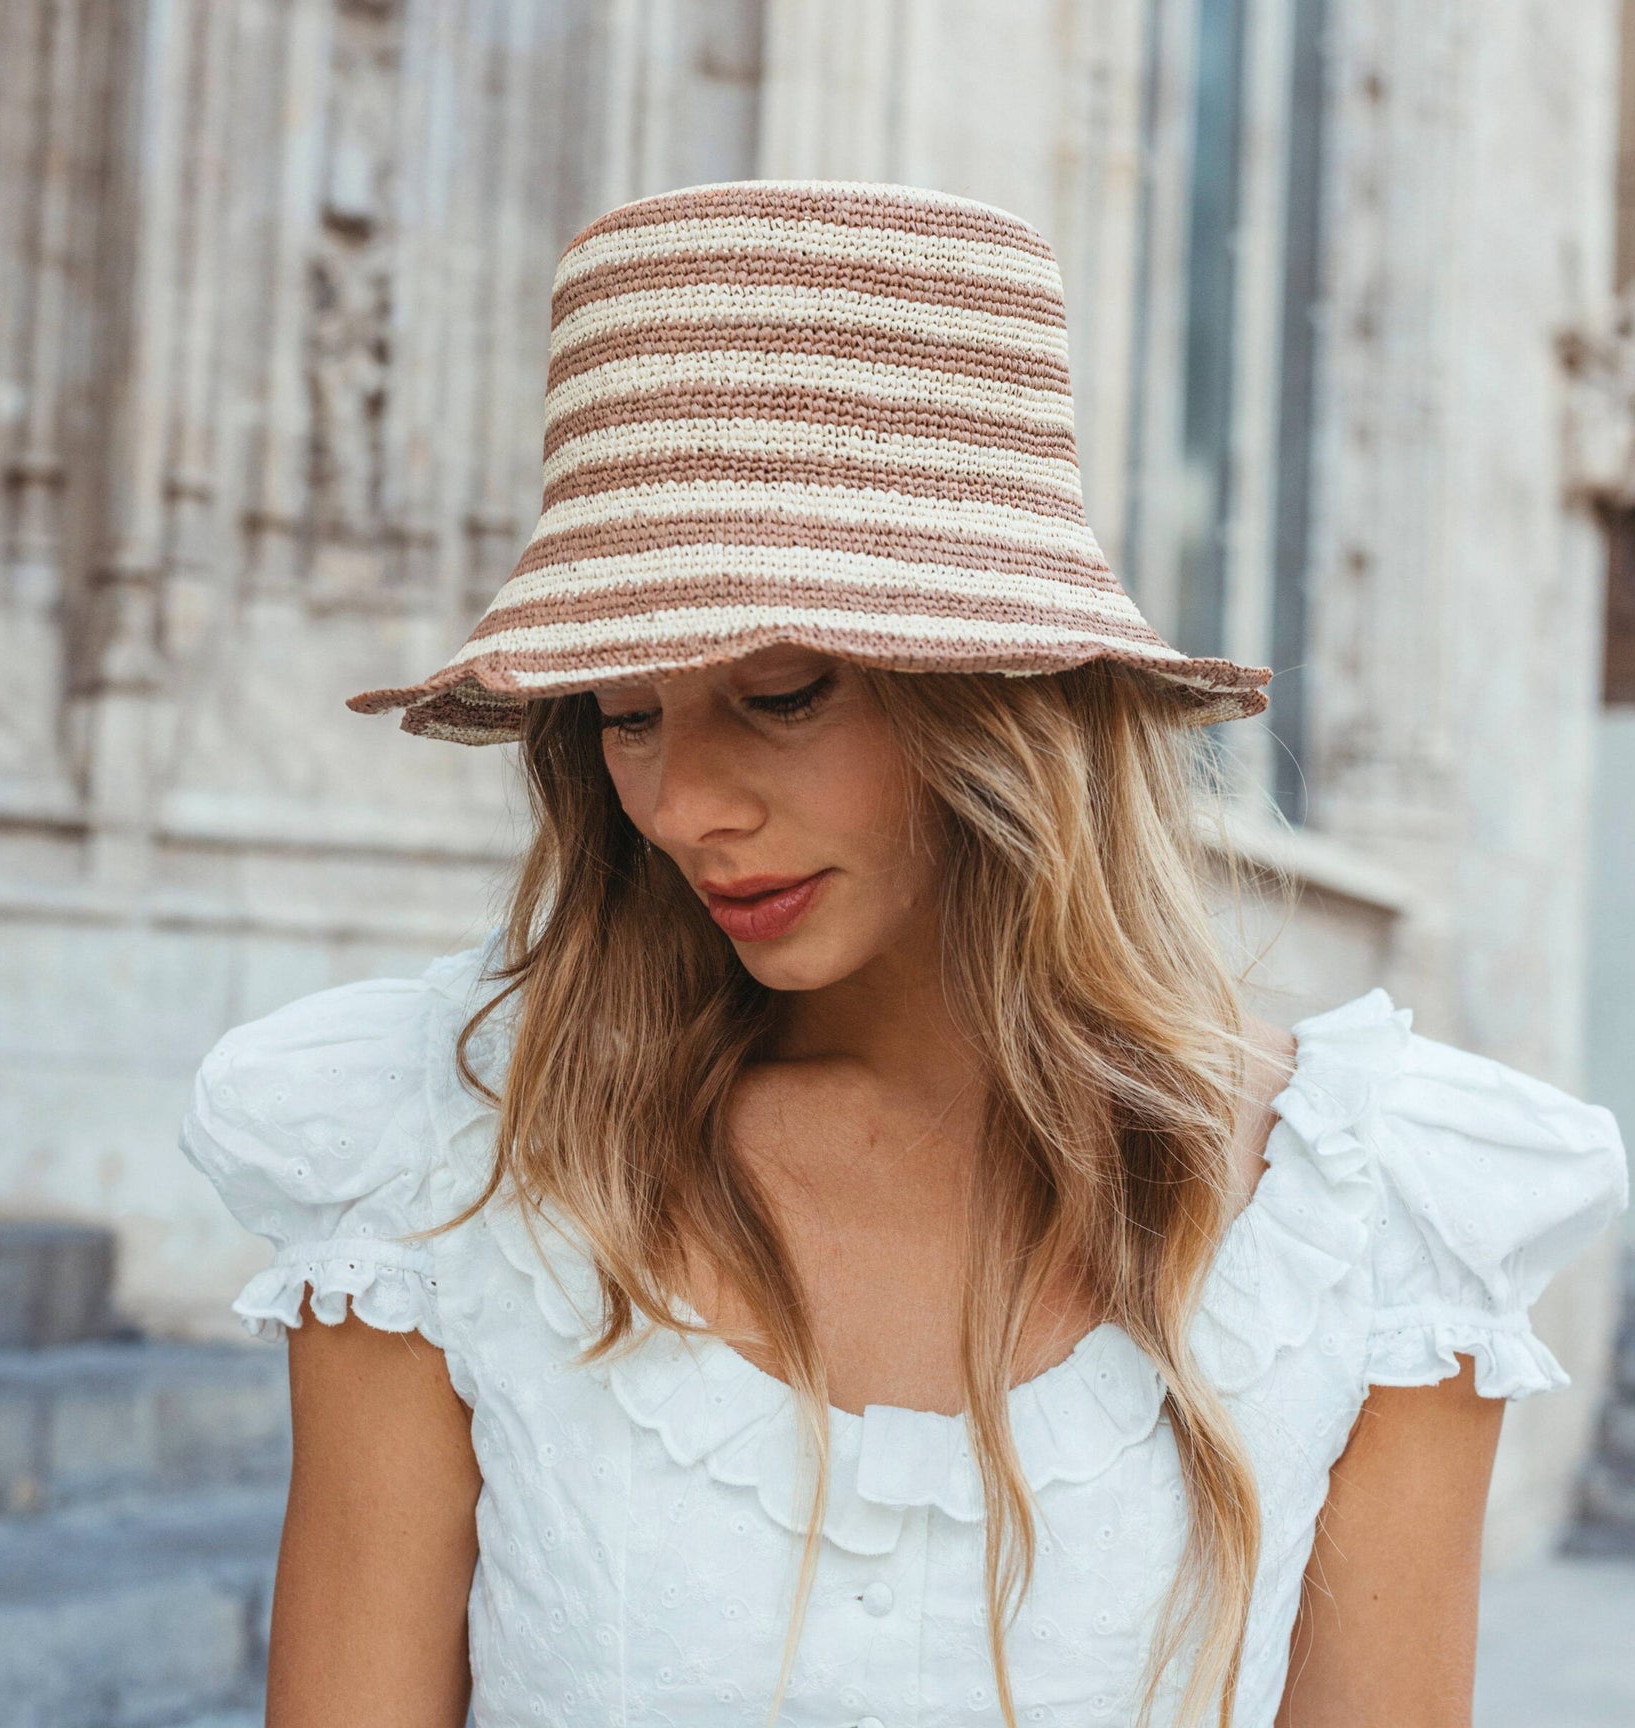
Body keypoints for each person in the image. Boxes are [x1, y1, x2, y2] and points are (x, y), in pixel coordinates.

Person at [179, 181, 1629, 1728]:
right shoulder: (441, 1174)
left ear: (1007, 712)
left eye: (783, 692)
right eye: (623, 714)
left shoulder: (1369, 1229)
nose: (681, 807)